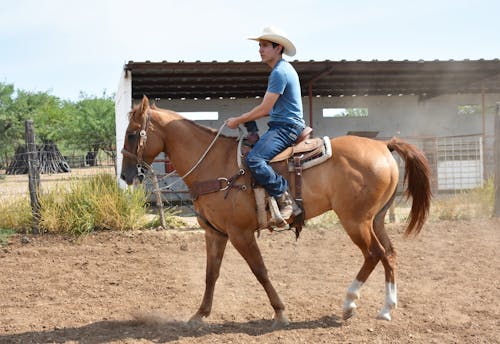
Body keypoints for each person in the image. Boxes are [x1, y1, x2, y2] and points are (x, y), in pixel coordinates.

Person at [225, 26, 305, 223]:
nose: (260, 50)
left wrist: (238, 120)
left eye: (265, 46)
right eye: (260, 46)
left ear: (278, 48)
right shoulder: (282, 70)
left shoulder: (279, 72)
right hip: (284, 125)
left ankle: (285, 200)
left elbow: (265, 109)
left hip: (286, 127)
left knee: (254, 159)